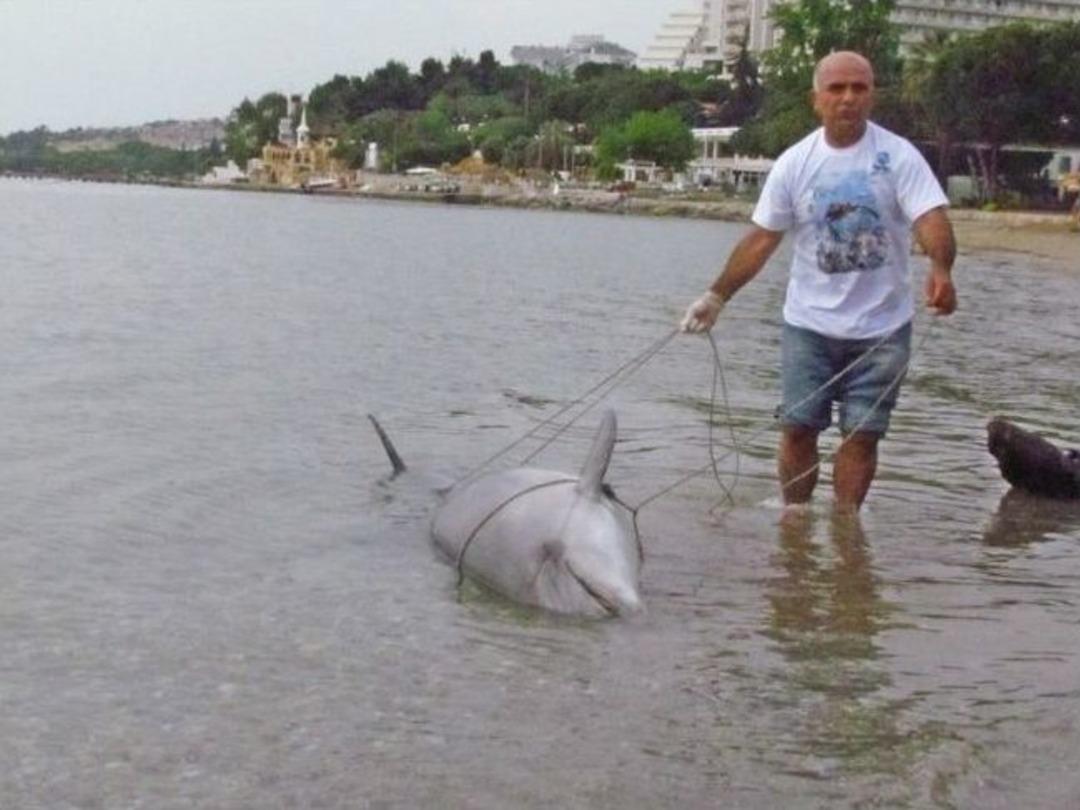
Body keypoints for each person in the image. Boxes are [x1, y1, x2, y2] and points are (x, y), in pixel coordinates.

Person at [680, 51, 958, 512]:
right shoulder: (795, 163)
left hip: (883, 328)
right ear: (817, 100)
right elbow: (761, 240)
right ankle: (796, 522)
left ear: (872, 95)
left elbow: (931, 218)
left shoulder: (899, 156)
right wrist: (716, 296)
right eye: (837, 88)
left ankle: (846, 525)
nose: (848, 97)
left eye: (859, 87)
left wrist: (942, 269)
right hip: (808, 325)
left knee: (864, 434)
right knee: (798, 427)